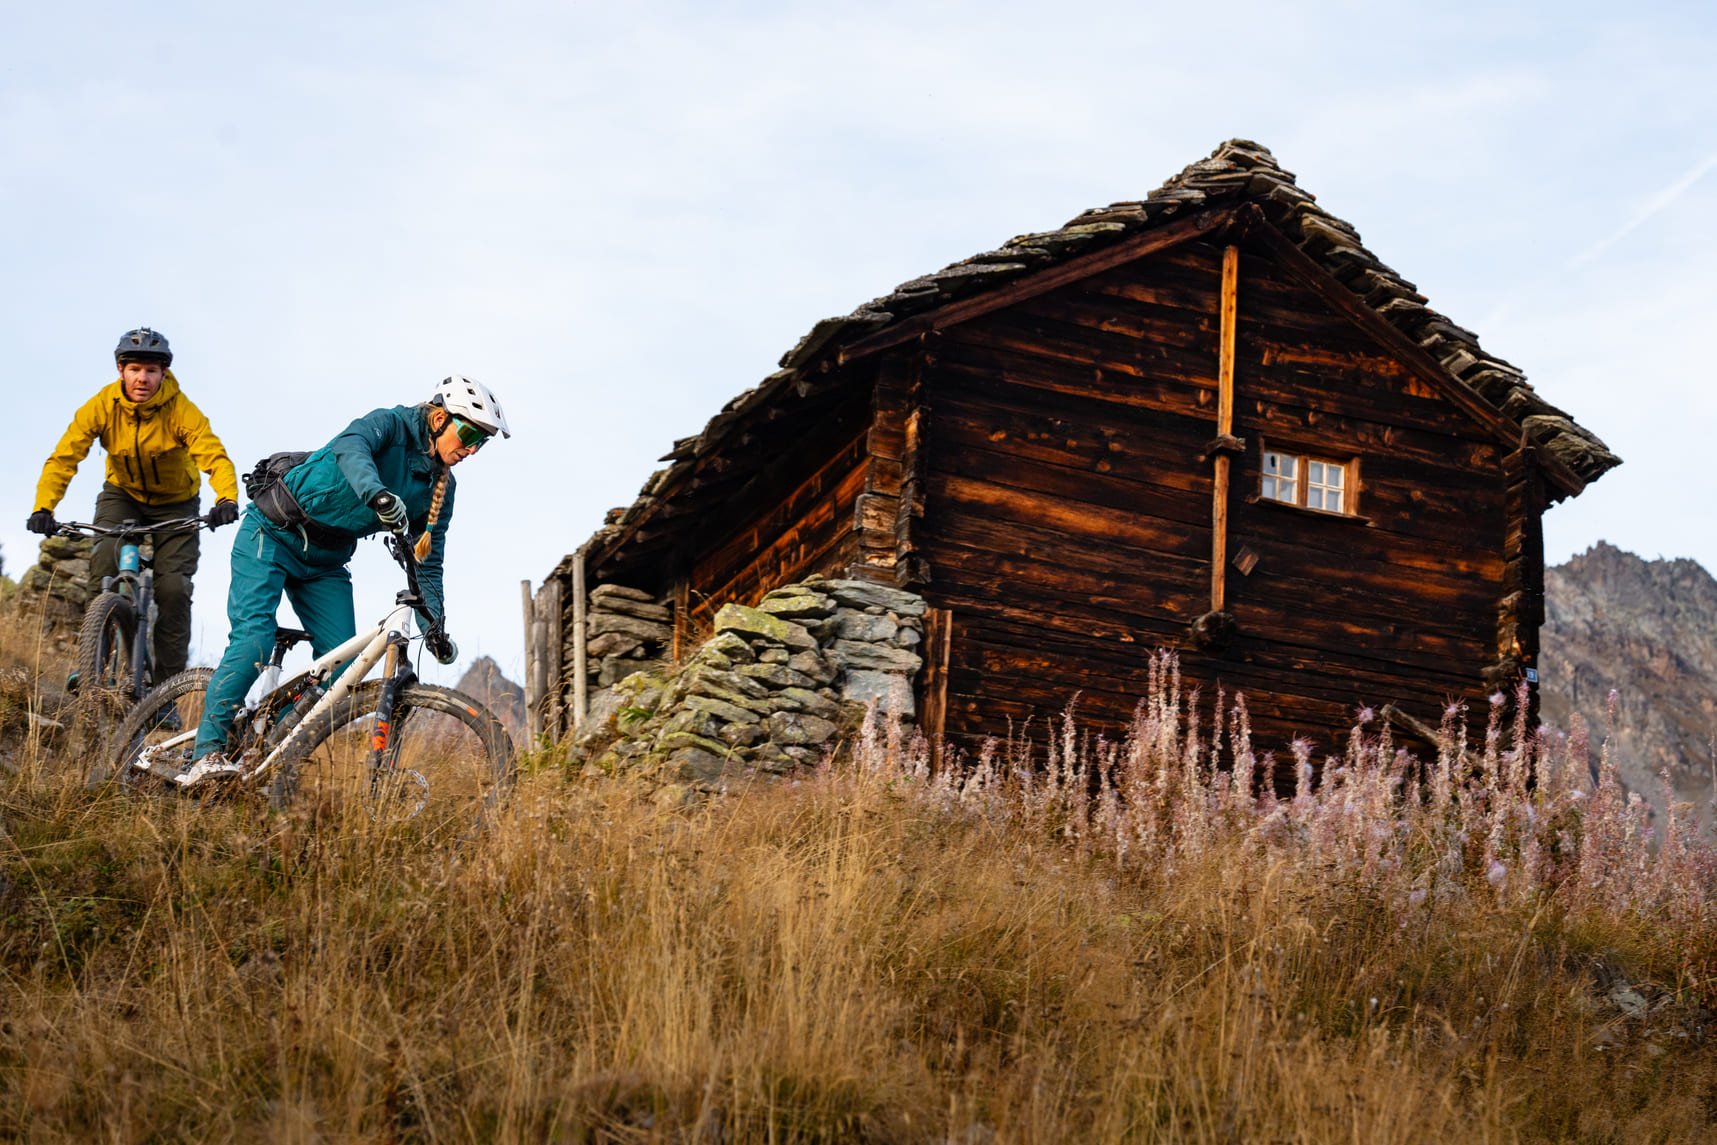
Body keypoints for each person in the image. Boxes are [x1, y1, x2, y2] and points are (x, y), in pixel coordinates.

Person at [182, 375, 509, 780]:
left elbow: (428, 563)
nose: (472, 448)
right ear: (440, 418)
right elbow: (349, 446)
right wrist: (377, 494)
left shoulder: (443, 488)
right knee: (254, 641)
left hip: (325, 563)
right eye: (469, 433)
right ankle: (205, 754)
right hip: (272, 533)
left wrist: (435, 626)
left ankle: (262, 742)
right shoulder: (391, 424)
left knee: (342, 669)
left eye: (482, 442)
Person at [27, 327, 239, 680]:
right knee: (104, 567)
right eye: (135, 369)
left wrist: (226, 498)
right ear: (121, 371)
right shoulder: (101, 406)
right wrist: (43, 508)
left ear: (163, 374)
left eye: (151, 371)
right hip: (122, 494)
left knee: (173, 590)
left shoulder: (181, 411)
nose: (143, 378)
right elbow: (64, 458)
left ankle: (164, 689)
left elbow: (214, 457)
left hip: (176, 503)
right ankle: (92, 663)